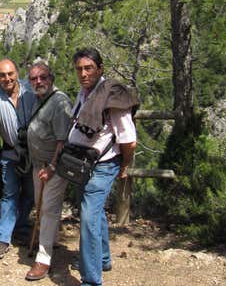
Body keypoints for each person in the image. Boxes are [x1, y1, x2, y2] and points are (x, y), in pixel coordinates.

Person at [67, 47, 138, 286]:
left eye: (89, 68)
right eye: (79, 69)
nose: (84, 73)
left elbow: (128, 139)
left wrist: (124, 166)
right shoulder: (85, 92)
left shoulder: (112, 96)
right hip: (83, 163)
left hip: (103, 165)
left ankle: (91, 280)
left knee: (88, 218)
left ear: (100, 69)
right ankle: (103, 259)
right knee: (94, 215)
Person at [0, 58, 36, 260]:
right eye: (2, 75)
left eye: (10, 74)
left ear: (17, 73)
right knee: (9, 195)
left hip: (34, 152)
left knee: (30, 193)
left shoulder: (30, 88)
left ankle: (20, 226)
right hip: (11, 152)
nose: (7, 78)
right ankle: (3, 238)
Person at [23, 62, 74, 281]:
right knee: (41, 205)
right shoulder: (38, 99)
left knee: (48, 209)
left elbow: (63, 140)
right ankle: (49, 241)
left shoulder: (60, 102)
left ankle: (43, 260)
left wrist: (52, 167)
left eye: (42, 77)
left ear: (51, 78)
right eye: (33, 79)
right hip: (39, 165)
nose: (38, 82)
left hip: (53, 167)